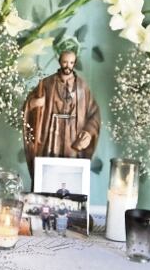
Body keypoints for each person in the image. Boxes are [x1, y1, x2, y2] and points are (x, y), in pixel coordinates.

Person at [22, 41, 101, 180]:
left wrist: (88, 133)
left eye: (71, 63)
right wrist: (34, 103)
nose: (68, 66)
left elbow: (94, 113)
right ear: (59, 62)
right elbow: (28, 106)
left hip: (73, 135)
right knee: (48, 169)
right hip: (50, 134)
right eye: (65, 62)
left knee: (70, 172)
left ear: (74, 63)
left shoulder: (82, 87)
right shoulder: (46, 83)